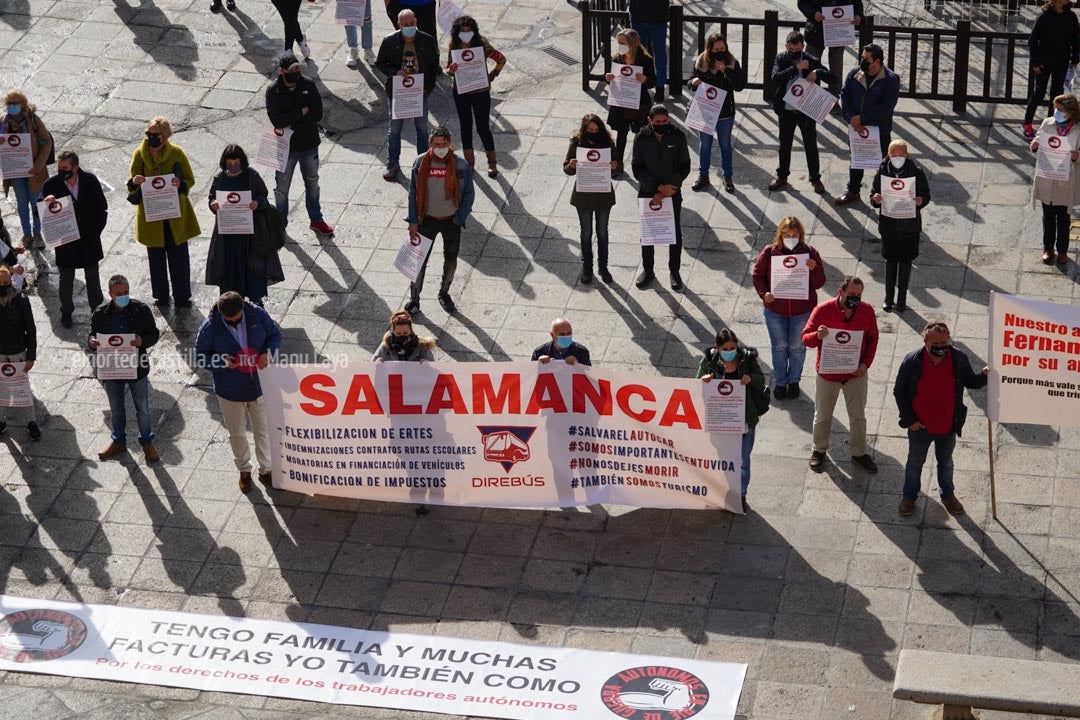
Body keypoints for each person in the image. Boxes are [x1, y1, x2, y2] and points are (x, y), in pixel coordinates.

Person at [893, 321, 989, 517]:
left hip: (948, 426)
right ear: (925, 341)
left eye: (944, 342)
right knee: (914, 463)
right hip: (920, 426)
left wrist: (985, 375)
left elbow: (971, 381)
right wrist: (910, 420)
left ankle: (948, 495)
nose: (941, 347)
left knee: (945, 463)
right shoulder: (912, 360)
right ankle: (909, 497)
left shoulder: (959, 359)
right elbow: (899, 392)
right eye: (935, 344)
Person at [195, 292, 282, 493]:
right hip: (230, 390)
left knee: (263, 429)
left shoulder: (258, 315)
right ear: (221, 314)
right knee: (237, 433)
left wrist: (268, 353)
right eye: (229, 321)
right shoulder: (210, 327)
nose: (234, 322)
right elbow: (200, 356)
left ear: (243, 307)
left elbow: (274, 336)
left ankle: (266, 469)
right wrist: (222, 362)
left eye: (237, 319)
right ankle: (244, 470)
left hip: (260, 385)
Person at [802, 276, 880, 474]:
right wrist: (816, 336)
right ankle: (818, 450)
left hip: (856, 374)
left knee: (858, 417)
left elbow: (873, 340)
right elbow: (805, 339)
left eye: (859, 295)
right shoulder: (823, 310)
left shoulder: (867, 311)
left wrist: (865, 364)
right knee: (822, 416)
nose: (856, 298)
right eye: (852, 294)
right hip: (828, 374)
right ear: (840, 292)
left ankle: (860, 453)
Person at [751, 216, 827, 400]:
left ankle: (794, 381)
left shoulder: (809, 253)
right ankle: (780, 382)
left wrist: (814, 269)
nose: (790, 237)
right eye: (786, 234)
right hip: (775, 310)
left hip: (802, 310)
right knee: (779, 347)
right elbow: (757, 275)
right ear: (780, 234)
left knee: (797, 347)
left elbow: (819, 283)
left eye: (794, 234)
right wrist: (764, 293)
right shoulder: (770, 252)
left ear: (800, 235)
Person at [128, 116, 200, 308]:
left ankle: (182, 295)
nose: (151, 138)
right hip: (151, 215)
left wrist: (180, 183)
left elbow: (190, 179)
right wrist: (135, 181)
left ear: (165, 136)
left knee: (180, 258)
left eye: (155, 135)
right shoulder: (139, 154)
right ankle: (160, 295)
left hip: (176, 215)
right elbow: (131, 182)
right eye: (148, 134)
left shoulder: (177, 153)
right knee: (155, 259)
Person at [89, 275, 161, 463]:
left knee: (143, 408)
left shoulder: (141, 310)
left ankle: (147, 442)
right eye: (119, 293)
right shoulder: (100, 313)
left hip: (137, 367)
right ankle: (118, 441)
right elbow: (91, 335)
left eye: (126, 292)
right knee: (116, 408)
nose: (123, 296)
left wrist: (142, 341)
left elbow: (154, 334)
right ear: (110, 294)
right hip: (112, 368)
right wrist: (92, 342)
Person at [404, 126, 475, 316]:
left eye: (444, 144)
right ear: (430, 144)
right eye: (437, 144)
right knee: (418, 263)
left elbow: (469, 194)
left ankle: (444, 293)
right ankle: (414, 299)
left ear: (450, 143)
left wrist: (460, 218)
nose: (441, 147)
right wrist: (413, 221)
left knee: (451, 261)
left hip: (451, 221)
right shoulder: (420, 163)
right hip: (426, 220)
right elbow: (413, 193)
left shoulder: (460, 165)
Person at [696, 327, 766, 513]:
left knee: (743, 460)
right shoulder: (710, 360)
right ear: (717, 348)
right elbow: (696, 382)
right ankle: (726, 491)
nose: (729, 352)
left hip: (743, 419)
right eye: (725, 349)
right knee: (723, 459)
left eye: (732, 347)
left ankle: (740, 494)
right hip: (720, 420)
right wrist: (704, 380)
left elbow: (761, 379)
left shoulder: (747, 359)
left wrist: (750, 378)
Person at [266, 53, 334, 237]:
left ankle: (316, 219)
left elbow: (317, 114)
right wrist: (301, 112)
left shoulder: (308, 84)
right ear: (282, 71)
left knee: (313, 184)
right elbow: (277, 120)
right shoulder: (273, 90)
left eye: (298, 69)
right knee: (281, 189)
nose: (296, 73)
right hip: (285, 148)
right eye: (291, 70)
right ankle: (281, 224)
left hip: (309, 144)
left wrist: (293, 123)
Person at [206, 145, 281, 305]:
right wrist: (213, 204)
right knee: (230, 269)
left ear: (242, 162)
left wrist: (257, 203)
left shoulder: (252, 176)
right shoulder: (220, 179)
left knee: (252, 269)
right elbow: (212, 198)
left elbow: (263, 197)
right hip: (227, 236)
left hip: (250, 236)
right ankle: (232, 303)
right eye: (229, 163)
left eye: (236, 162)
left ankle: (255, 303)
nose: (233, 166)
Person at [41, 150, 108, 328]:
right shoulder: (50, 185)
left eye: (65, 168)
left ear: (75, 167)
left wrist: (95, 232)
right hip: (65, 241)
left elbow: (102, 208)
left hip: (89, 240)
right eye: (59, 168)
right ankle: (66, 312)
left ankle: (97, 311)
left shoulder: (90, 181)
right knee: (66, 279)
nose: (61, 171)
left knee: (93, 277)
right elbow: (39, 212)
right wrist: (45, 204)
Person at [632, 104, 691, 291]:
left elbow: (684, 166)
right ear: (650, 121)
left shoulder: (678, 136)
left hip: (672, 191)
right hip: (648, 192)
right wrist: (658, 188)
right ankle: (648, 270)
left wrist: (670, 188)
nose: (661, 124)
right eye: (657, 122)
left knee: (675, 233)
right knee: (648, 234)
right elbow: (637, 168)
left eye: (665, 121)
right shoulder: (641, 138)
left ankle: (674, 271)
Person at [377, 9, 440, 181]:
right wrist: (395, 72)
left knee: (422, 128)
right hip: (398, 92)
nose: (409, 27)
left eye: (412, 24)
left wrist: (428, 88)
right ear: (399, 25)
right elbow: (380, 63)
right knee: (395, 129)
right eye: (405, 25)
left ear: (416, 21)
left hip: (420, 91)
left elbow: (434, 66)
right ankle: (393, 163)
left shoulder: (427, 40)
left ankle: (422, 163)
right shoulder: (389, 41)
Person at [768, 30, 834, 193]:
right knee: (785, 144)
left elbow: (833, 78)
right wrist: (795, 68)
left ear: (802, 47)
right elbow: (776, 77)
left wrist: (816, 72)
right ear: (786, 47)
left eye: (797, 51)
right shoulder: (781, 58)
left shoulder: (812, 60)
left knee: (810, 144)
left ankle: (815, 178)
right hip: (786, 110)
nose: (793, 54)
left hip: (806, 110)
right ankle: (782, 176)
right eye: (790, 50)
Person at [870, 139, 931, 311]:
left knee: (905, 263)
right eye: (894, 155)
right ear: (888, 155)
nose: (897, 158)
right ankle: (888, 298)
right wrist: (876, 199)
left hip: (909, 227)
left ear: (907, 155)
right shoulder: (882, 171)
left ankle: (902, 298)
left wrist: (921, 201)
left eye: (901, 155)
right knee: (890, 262)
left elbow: (926, 195)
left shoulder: (916, 172)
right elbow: (873, 195)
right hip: (889, 226)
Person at [837, 43, 900, 206]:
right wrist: (851, 118)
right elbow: (845, 94)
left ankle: (885, 194)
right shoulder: (855, 74)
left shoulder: (891, 79)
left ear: (877, 61)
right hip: (857, 128)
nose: (862, 61)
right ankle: (853, 190)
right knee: (857, 159)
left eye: (866, 58)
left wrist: (862, 118)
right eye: (862, 57)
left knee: (885, 163)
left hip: (879, 129)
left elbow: (886, 108)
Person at [447, 16, 506, 178]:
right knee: (465, 127)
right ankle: (469, 163)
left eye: (469, 31)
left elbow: (501, 59)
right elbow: (448, 69)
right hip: (461, 91)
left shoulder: (482, 44)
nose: (466, 34)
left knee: (482, 127)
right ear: (457, 32)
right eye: (462, 31)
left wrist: (492, 75)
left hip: (480, 92)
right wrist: (451, 70)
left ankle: (492, 162)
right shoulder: (454, 45)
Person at [564, 114, 618, 285]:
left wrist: (615, 167)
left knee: (602, 232)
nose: (594, 132)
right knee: (586, 233)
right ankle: (587, 267)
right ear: (584, 130)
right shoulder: (577, 143)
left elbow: (618, 169)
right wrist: (571, 166)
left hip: (603, 196)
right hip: (583, 196)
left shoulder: (608, 144)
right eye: (590, 130)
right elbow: (567, 168)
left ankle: (604, 267)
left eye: (596, 130)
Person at [689, 33, 746, 193]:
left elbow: (740, 85)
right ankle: (703, 175)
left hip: (725, 112)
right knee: (704, 144)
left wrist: (726, 71)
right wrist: (692, 82)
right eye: (716, 49)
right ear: (710, 49)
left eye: (722, 48)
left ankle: (728, 177)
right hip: (705, 110)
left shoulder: (732, 62)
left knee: (725, 145)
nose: (720, 51)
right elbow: (691, 80)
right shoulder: (701, 62)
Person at [1030, 93, 1080, 265]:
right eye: (1055, 108)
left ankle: (1063, 251)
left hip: (1066, 180)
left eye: (1061, 110)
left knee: (1064, 218)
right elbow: (1039, 139)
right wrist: (1035, 146)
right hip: (1048, 176)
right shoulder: (1048, 122)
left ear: (1071, 112)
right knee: (1048, 215)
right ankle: (1048, 248)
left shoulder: (1078, 128)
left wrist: (1076, 156)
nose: (1057, 112)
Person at [2, 90, 52, 249]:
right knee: (22, 203)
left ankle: (38, 234)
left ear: (23, 105)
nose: (12, 107)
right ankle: (26, 233)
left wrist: (38, 165)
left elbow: (47, 142)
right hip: (16, 171)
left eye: (15, 104)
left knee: (36, 202)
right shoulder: (3, 121)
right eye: (9, 104)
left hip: (34, 171)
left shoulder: (33, 120)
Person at [1023, 0, 1080, 140]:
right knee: (1039, 93)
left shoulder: (1071, 16)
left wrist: (1075, 57)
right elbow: (1032, 40)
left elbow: (1076, 39)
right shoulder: (1044, 17)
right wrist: (1035, 61)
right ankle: (1027, 124)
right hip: (1043, 63)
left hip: (1062, 62)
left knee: (1057, 95)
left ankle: (1051, 125)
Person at [606, 29, 655, 176]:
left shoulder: (645, 60)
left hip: (639, 103)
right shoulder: (617, 58)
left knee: (641, 135)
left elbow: (652, 81)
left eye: (623, 43)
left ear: (632, 44)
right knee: (621, 133)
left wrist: (644, 79)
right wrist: (608, 78)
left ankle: (641, 165)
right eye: (619, 43)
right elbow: (613, 78)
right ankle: (618, 164)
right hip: (621, 101)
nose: (620, 46)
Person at [0, 266, 40, 440]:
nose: (3, 286)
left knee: (23, 386)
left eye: (6, 282)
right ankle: (1, 421)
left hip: (17, 351)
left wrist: (31, 356)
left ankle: (31, 422)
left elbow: (31, 329)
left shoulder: (21, 300)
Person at [799, 0, 863, 97]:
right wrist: (813, 13)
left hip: (839, 31)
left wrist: (858, 15)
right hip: (815, 31)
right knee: (810, 66)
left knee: (836, 68)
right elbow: (802, 3)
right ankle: (809, 99)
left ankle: (833, 99)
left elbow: (857, 3)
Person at [628, 0, 669, 102]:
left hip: (658, 17)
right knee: (637, 54)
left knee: (659, 54)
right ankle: (639, 84)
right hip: (639, 16)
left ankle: (660, 87)